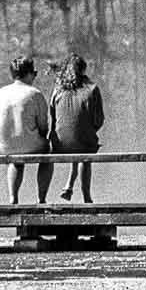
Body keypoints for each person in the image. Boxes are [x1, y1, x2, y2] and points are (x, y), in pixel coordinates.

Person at [0, 55, 54, 204]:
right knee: (48, 152)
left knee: (16, 159)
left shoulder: (0, 93)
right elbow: (43, 126)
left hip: (5, 146)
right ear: (29, 74)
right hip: (30, 145)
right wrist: (42, 138)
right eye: (35, 73)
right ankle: (42, 198)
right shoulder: (35, 94)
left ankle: (13, 197)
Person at [48, 54, 106, 202]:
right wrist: (87, 128)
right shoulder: (92, 89)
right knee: (83, 142)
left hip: (59, 144)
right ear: (83, 70)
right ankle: (86, 196)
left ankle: (68, 186)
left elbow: (53, 117)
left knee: (77, 136)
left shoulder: (58, 90)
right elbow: (99, 120)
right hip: (83, 144)